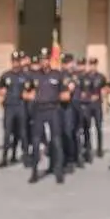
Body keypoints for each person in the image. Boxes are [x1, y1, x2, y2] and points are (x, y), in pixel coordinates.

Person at [29, 49, 65, 184]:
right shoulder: (34, 76)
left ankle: (58, 172)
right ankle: (34, 172)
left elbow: (65, 93)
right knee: (36, 141)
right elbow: (27, 92)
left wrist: (60, 97)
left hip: (53, 110)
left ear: (49, 60)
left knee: (56, 141)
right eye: (41, 60)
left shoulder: (57, 75)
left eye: (46, 59)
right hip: (39, 110)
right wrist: (31, 96)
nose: (43, 62)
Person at [0, 51, 30, 169]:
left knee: (23, 133)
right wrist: (1, 92)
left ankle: (25, 157)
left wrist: (28, 94)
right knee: (7, 133)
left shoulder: (25, 76)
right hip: (9, 107)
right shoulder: (6, 75)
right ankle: (5, 158)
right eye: (14, 61)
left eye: (17, 61)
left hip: (21, 106)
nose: (16, 63)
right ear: (11, 62)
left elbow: (32, 90)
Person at [82, 57, 107, 158]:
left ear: (96, 65)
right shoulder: (84, 77)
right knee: (86, 128)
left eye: (94, 64)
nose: (92, 66)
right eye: (91, 64)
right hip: (87, 105)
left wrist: (102, 96)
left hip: (97, 105)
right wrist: (88, 97)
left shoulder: (101, 77)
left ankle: (100, 149)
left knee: (98, 127)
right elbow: (82, 92)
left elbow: (105, 89)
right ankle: (88, 149)